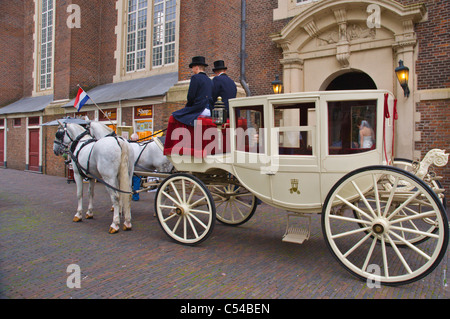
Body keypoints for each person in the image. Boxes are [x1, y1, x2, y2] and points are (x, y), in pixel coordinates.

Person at [172, 56, 213, 126]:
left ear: (196, 67)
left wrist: (187, 107)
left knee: (174, 115)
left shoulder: (195, 77)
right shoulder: (209, 80)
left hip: (199, 109)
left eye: (193, 68)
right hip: (209, 110)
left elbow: (191, 97)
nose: (192, 70)